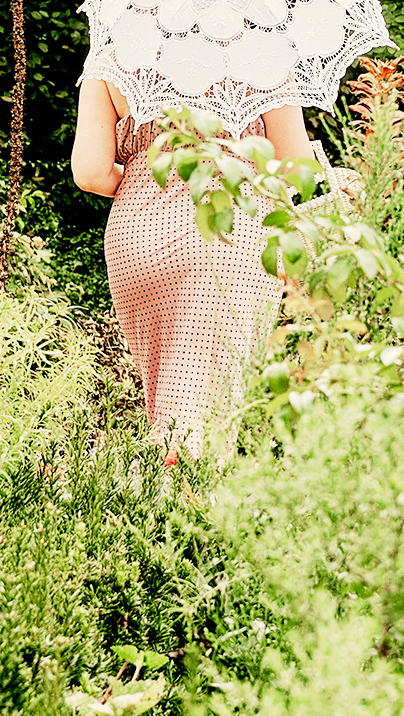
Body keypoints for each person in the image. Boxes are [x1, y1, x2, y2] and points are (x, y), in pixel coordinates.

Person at [70, 77, 310, 459]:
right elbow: (295, 166)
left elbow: (90, 173)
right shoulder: (263, 59)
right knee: (203, 413)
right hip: (229, 234)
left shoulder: (114, 57)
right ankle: (183, 505)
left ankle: (156, 498)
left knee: (169, 402)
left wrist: (145, 181)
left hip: (136, 238)